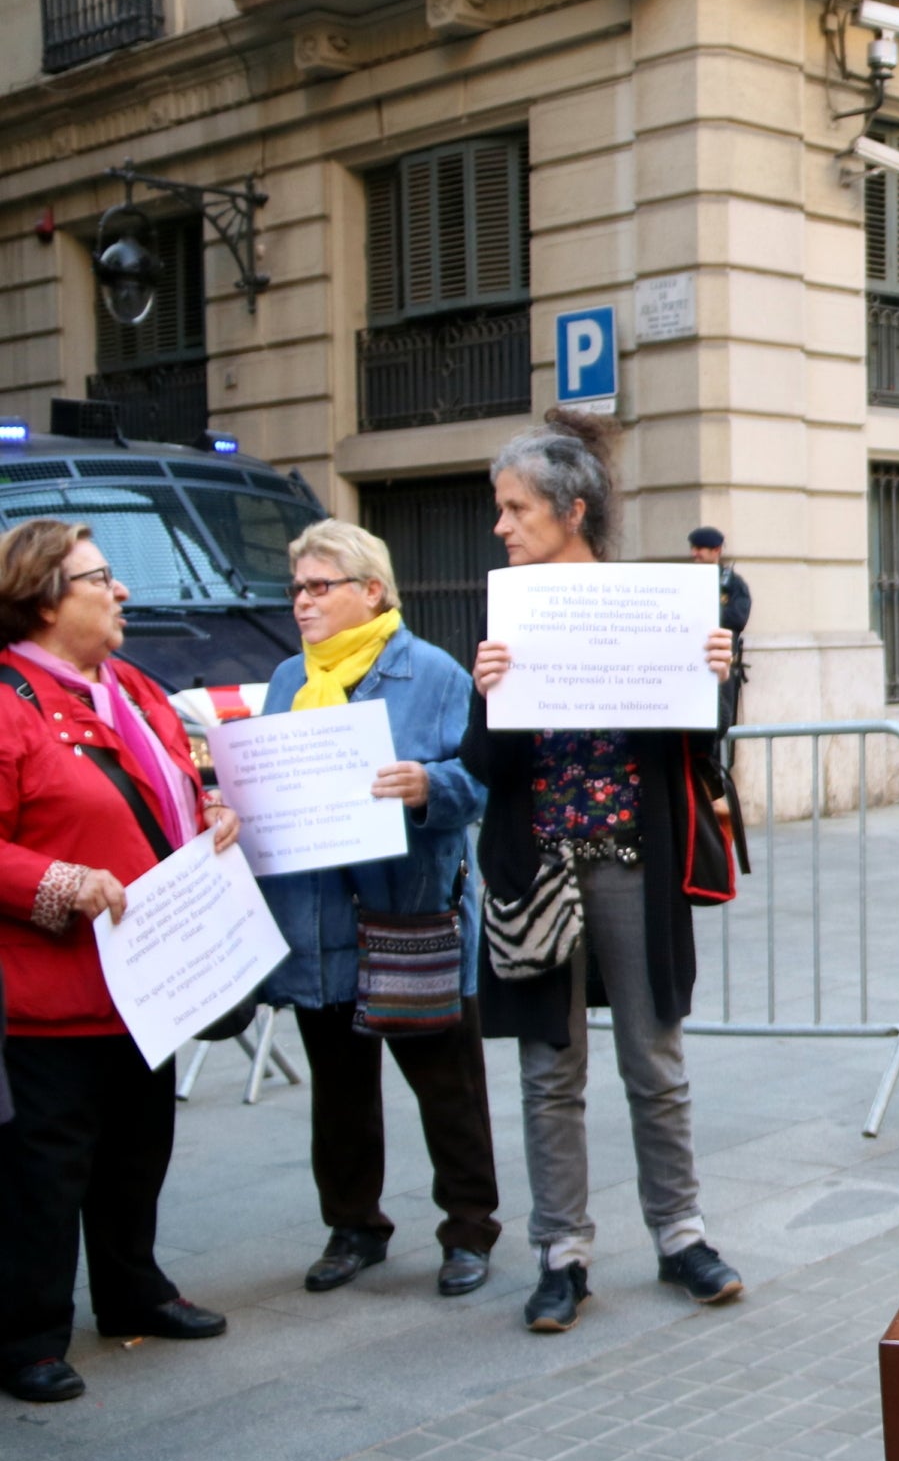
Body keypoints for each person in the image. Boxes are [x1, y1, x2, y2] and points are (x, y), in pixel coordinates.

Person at [468, 412, 743, 1333]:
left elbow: (695, 741)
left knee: (653, 1059)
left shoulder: (647, 601)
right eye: (500, 509)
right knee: (550, 1068)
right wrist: (488, 693)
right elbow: (485, 768)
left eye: (516, 508)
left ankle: (681, 1235)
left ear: (571, 510)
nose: (502, 526)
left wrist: (716, 675)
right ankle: (562, 1251)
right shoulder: (503, 612)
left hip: (634, 858)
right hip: (538, 869)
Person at [0, 519, 242, 1402]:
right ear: (44, 596)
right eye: (102, 576)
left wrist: (212, 811)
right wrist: (59, 879)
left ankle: (132, 1292)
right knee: (46, 1169)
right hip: (51, 992)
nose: (122, 591)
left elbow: (181, 781)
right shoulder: (6, 697)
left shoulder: (132, 686)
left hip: (149, 981)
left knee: (139, 1151)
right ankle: (26, 1332)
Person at [255, 520, 500, 1300]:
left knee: (446, 1083)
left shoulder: (431, 673)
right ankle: (353, 1224)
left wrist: (431, 788)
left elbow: (482, 780)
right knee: (340, 1088)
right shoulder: (290, 679)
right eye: (296, 587)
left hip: (411, 914)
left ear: (372, 590)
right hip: (320, 924)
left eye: (318, 586)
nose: (302, 602)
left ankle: (468, 1228)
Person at [689, 527, 750, 731]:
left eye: (700, 549)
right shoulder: (687, 580)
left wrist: (707, 614)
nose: (694, 553)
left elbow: (738, 617)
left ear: (716, 551)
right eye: (693, 548)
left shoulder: (732, 584)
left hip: (721, 666)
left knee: (722, 723)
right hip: (691, 666)